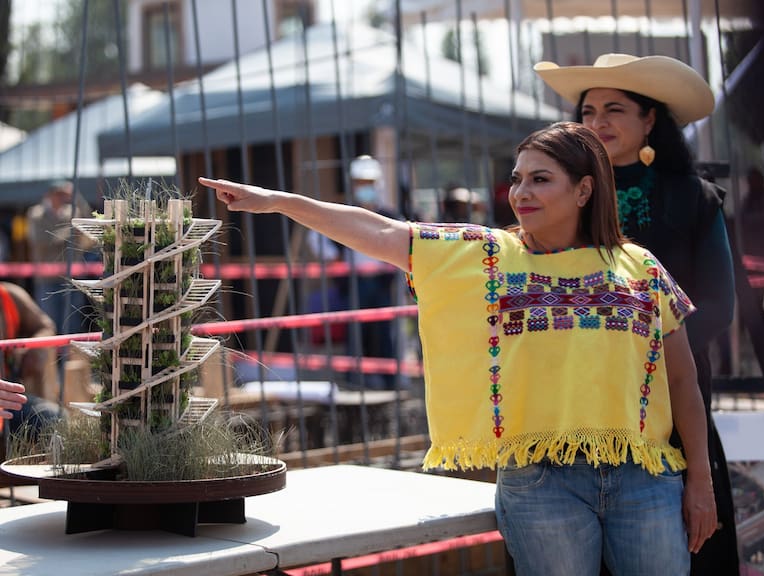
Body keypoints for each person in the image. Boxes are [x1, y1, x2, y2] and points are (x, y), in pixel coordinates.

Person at [199, 121, 717, 575]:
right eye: (517, 178)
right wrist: (278, 202)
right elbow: (379, 230)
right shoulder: (486, 256)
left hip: (646, 478)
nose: (521, 192)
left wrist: (701, 481)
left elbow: (682, 381)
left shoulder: (641, 268)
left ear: (584, 190)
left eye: (540, 179)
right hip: (541, 484)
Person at [534, 53, 739, 574]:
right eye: (587, 111)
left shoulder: (695, 198)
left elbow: (719, 305)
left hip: (673, 394)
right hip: (575, 401)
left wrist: (644, 360)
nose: (597, 121)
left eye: (614, 109)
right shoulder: (557, 197)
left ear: (650, 120)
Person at [306, 155, 401, 389]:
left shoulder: (388, 215)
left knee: (383, 332)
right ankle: (353, 380)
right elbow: (315, 237)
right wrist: (333, 256)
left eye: (369, 182)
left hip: (381, 281)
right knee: (356, 331)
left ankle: (389, 381)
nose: (365, 187)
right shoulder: (345, 213)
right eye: (360, 182)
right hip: (355, 282)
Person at [26, 180, 92, 335]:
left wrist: (77, 197)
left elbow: (88, 225)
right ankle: (50, 350)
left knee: (72, 322)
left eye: (65, 194)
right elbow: (42, 240)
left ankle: (66, 350)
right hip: (47, 278)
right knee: (49, 320)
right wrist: (69, 232)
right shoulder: (36, 214)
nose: (63, 198)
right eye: (59, 194)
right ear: (50, 195)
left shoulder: (72, 212)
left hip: (71, 276)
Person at [0, 281, 63, 440]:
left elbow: (45, 326)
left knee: (56, 421)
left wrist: (35, 350)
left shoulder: (8, 297)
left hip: (10, 399)